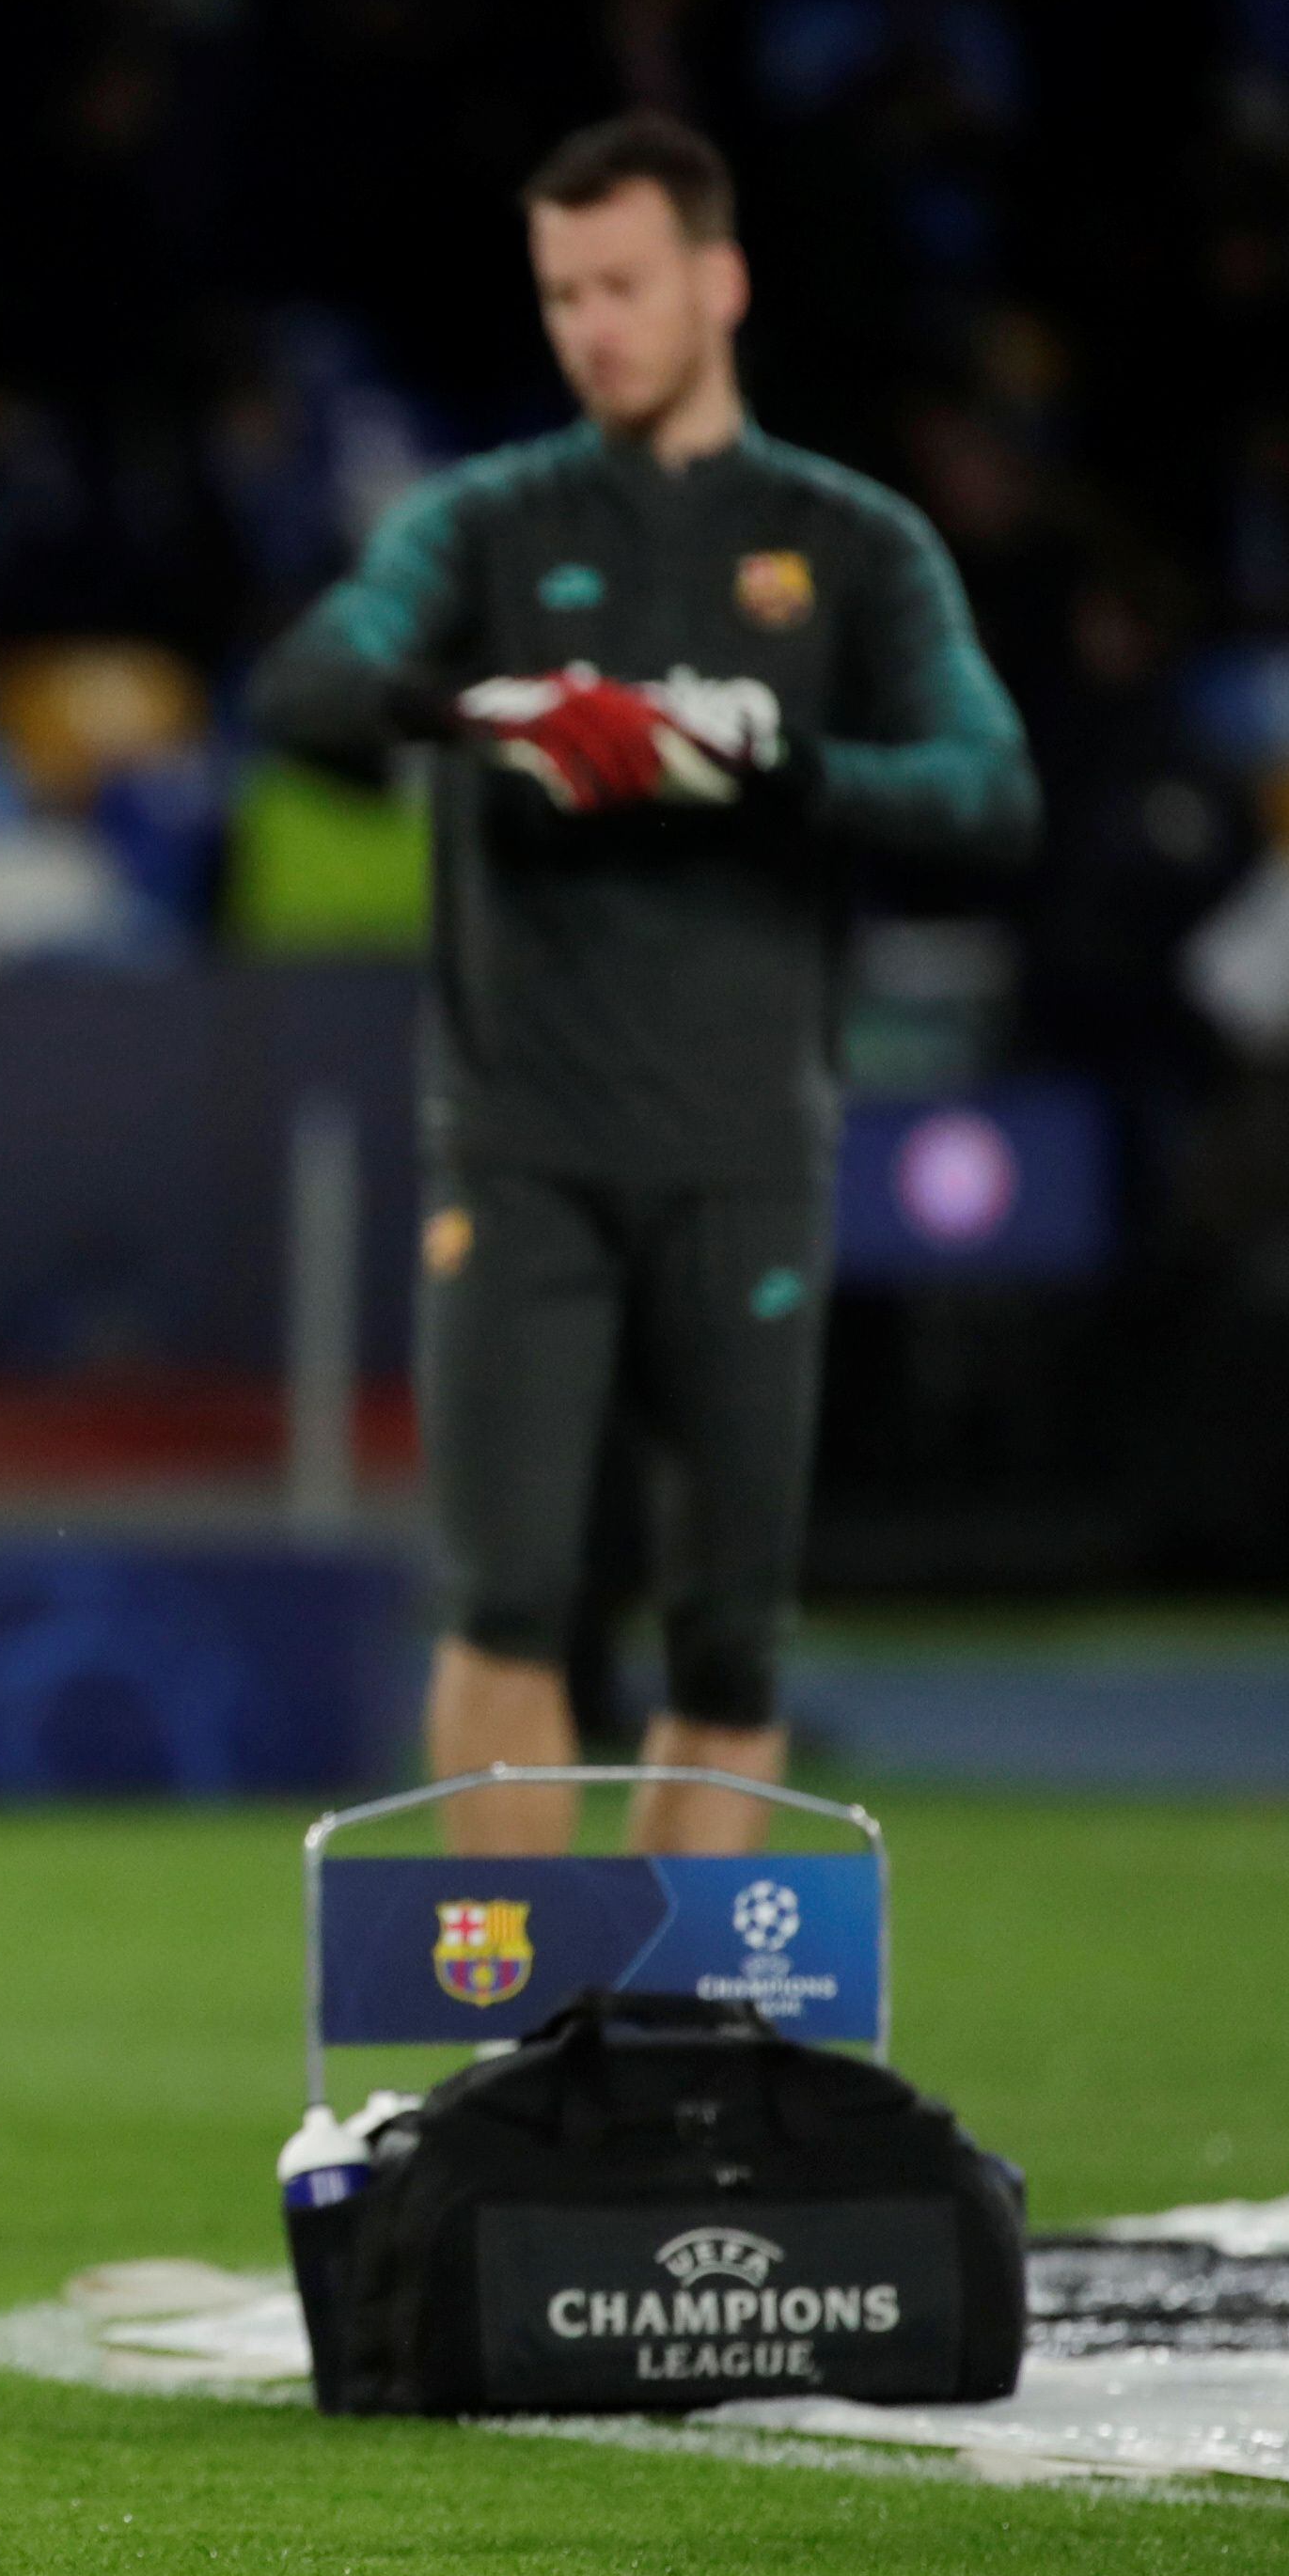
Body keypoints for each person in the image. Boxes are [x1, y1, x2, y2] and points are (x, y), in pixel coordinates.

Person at [250, 113, 1038, 1857]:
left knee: (731, 1618)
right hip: (520, 1140)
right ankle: (514, 2049)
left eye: (622, 285)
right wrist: (491, 714)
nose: (591, 325)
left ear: (719, 281)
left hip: (746, 1141)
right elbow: (309, 684)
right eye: (561, 294)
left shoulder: (847, 540)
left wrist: (763, 757)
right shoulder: (486, 525)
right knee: (510, 1593)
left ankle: (674, 2048)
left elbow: (992, 788)